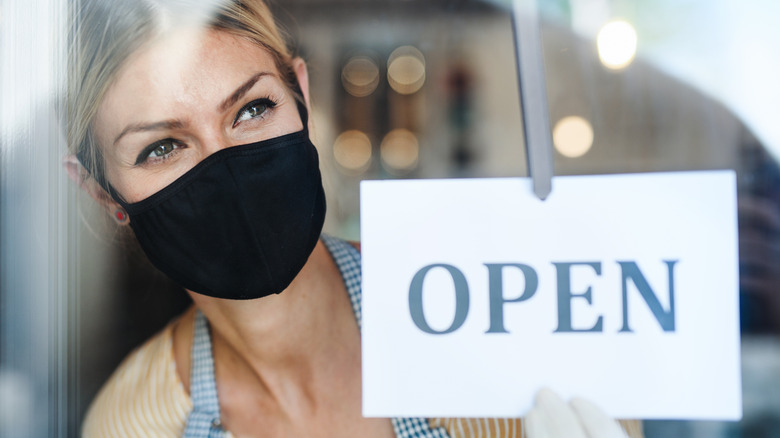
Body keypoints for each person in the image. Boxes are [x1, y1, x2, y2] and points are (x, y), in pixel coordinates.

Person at [64, 0, 643, 436]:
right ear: (102, 193)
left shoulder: (495, 322)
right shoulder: (132, 424)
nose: (225, 167)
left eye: (253, 108)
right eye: (162, 147)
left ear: (303, 100)